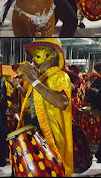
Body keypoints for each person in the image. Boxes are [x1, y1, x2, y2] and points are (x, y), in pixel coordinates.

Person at [16, 38, 73, 176]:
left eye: (40, 50)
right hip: (35, 135)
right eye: (35, 51)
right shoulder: (39, 78)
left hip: (51, 137)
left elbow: (62, 102)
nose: (36, 54)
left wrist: (34, 82)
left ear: (53, 53)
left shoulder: (61, 76)